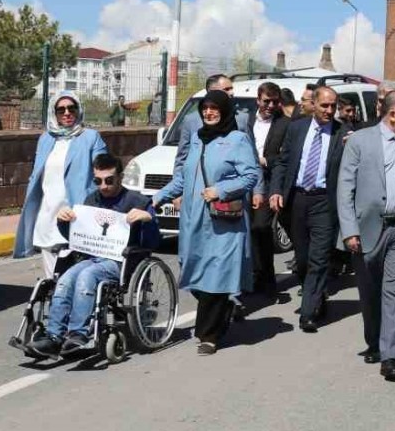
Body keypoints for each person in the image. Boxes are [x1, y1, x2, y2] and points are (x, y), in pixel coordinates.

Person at [153, 90, 259, 355]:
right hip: (194, 220)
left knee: (217, 274)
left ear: (224, 111)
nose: (209, 113)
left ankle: (209, 334)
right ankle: (224, 308)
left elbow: (250, 176)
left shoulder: (237, 140)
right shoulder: (199, 140)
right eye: (205, 108)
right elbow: (184, 178)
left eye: (214, 108)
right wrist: (158, 197)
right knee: (195, 273)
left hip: (223, 221)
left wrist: (220, 190)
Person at [338, 91, 395, 382]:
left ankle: (390, 355)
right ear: (392, 114)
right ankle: (374, 341)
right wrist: (349, 230)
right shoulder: (360, 141)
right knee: (370, 292)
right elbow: (345, 187)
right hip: (368, 229)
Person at [26, 154, 160, 358]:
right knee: (65, 280)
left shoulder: (138, 201)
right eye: (98, 181)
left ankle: (78, 332)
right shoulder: (91, 200)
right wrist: (65, 220)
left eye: (109, 180)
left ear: (120, 177)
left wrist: (147, 219)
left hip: (121, 261)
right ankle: (54, 335)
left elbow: (153, 242)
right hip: (91, 257)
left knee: (87, 277)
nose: (103, 186)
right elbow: (76, 237)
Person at [270, 86, 345, 332]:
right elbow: (282, 162)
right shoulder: (297, 128)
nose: (329, 110)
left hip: (325, 201)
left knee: (319, 258)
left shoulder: (343, 132)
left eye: (333, 106)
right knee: (302, 260)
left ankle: (308, 313)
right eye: (324, 105)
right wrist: (276, 190)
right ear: (313, 104)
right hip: (297, 199)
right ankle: (317, 294)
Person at [14, 92, 108, 272]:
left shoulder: (90, 137)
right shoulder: (46, 139)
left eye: (72, 108)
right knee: (51, 279)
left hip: (76, 214)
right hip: (48, 214)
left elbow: (104, 169)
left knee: (75, 275)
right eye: (61, 109)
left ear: (79, 110)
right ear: (53, 113)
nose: (67, 113)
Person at [246, 82, 289, 300]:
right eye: (266, 101)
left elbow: (285, 157)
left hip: (269, 181)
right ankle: (252, 277)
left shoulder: (284, 124)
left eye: (275, 102)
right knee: (247, 230)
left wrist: (265, 160)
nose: (270, 106)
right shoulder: (245, 120)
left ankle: (266, 278)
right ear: (258, 100)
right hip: (245, 182)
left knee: (261, 227)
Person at [175, 74, 247, 175]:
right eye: (226, 89)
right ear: (211, 91)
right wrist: (179, 186)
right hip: (200, 183)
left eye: (231, 88)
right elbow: (182, 159)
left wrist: (258, 190)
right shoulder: (191, 121)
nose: (232, 93)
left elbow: (251, 158)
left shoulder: (241, 118)